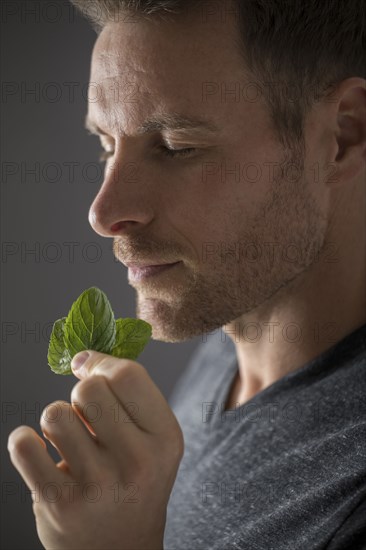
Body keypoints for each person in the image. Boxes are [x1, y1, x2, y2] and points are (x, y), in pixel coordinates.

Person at [8, 0, 366, 548]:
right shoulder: (234, 314)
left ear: (341, 136)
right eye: (106, 145)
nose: (102, 214)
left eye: (176, 148)